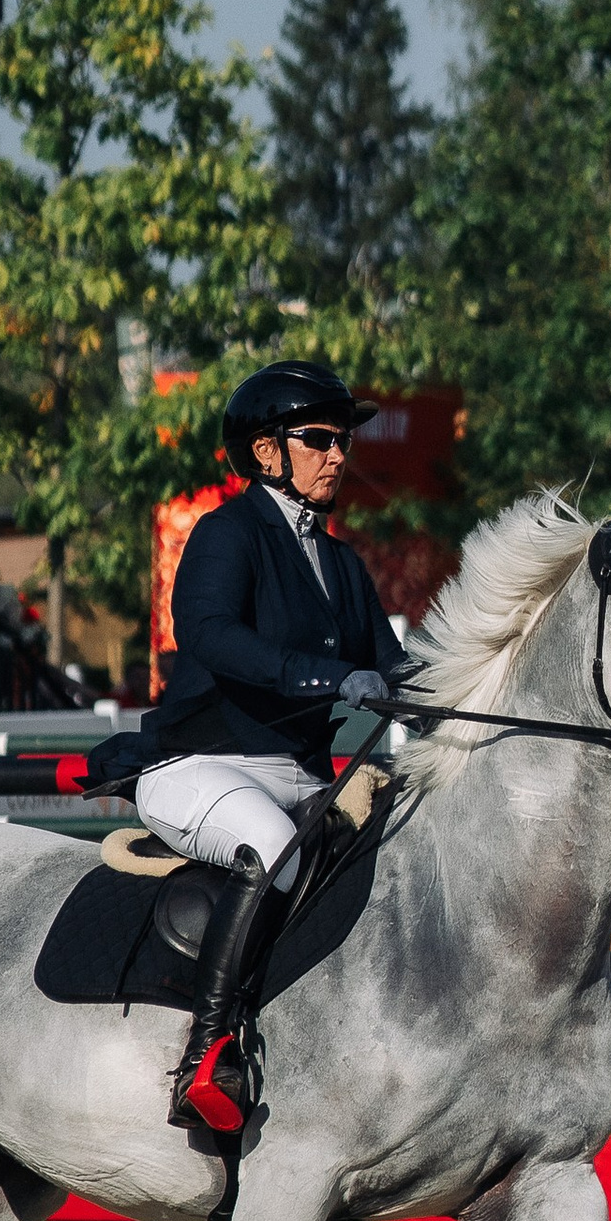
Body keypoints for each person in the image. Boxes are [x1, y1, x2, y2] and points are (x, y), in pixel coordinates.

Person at [136, 357, 410, 1132]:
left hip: (299, 776)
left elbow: (396, 673)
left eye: (343, 441)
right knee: (272, 846)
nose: (338, 455)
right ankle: (206, 1054)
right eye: (319, 439)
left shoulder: (343, 563)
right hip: (203, 765)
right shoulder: (228, 534)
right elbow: (212, 636)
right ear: (266, 452)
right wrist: (330, 678)